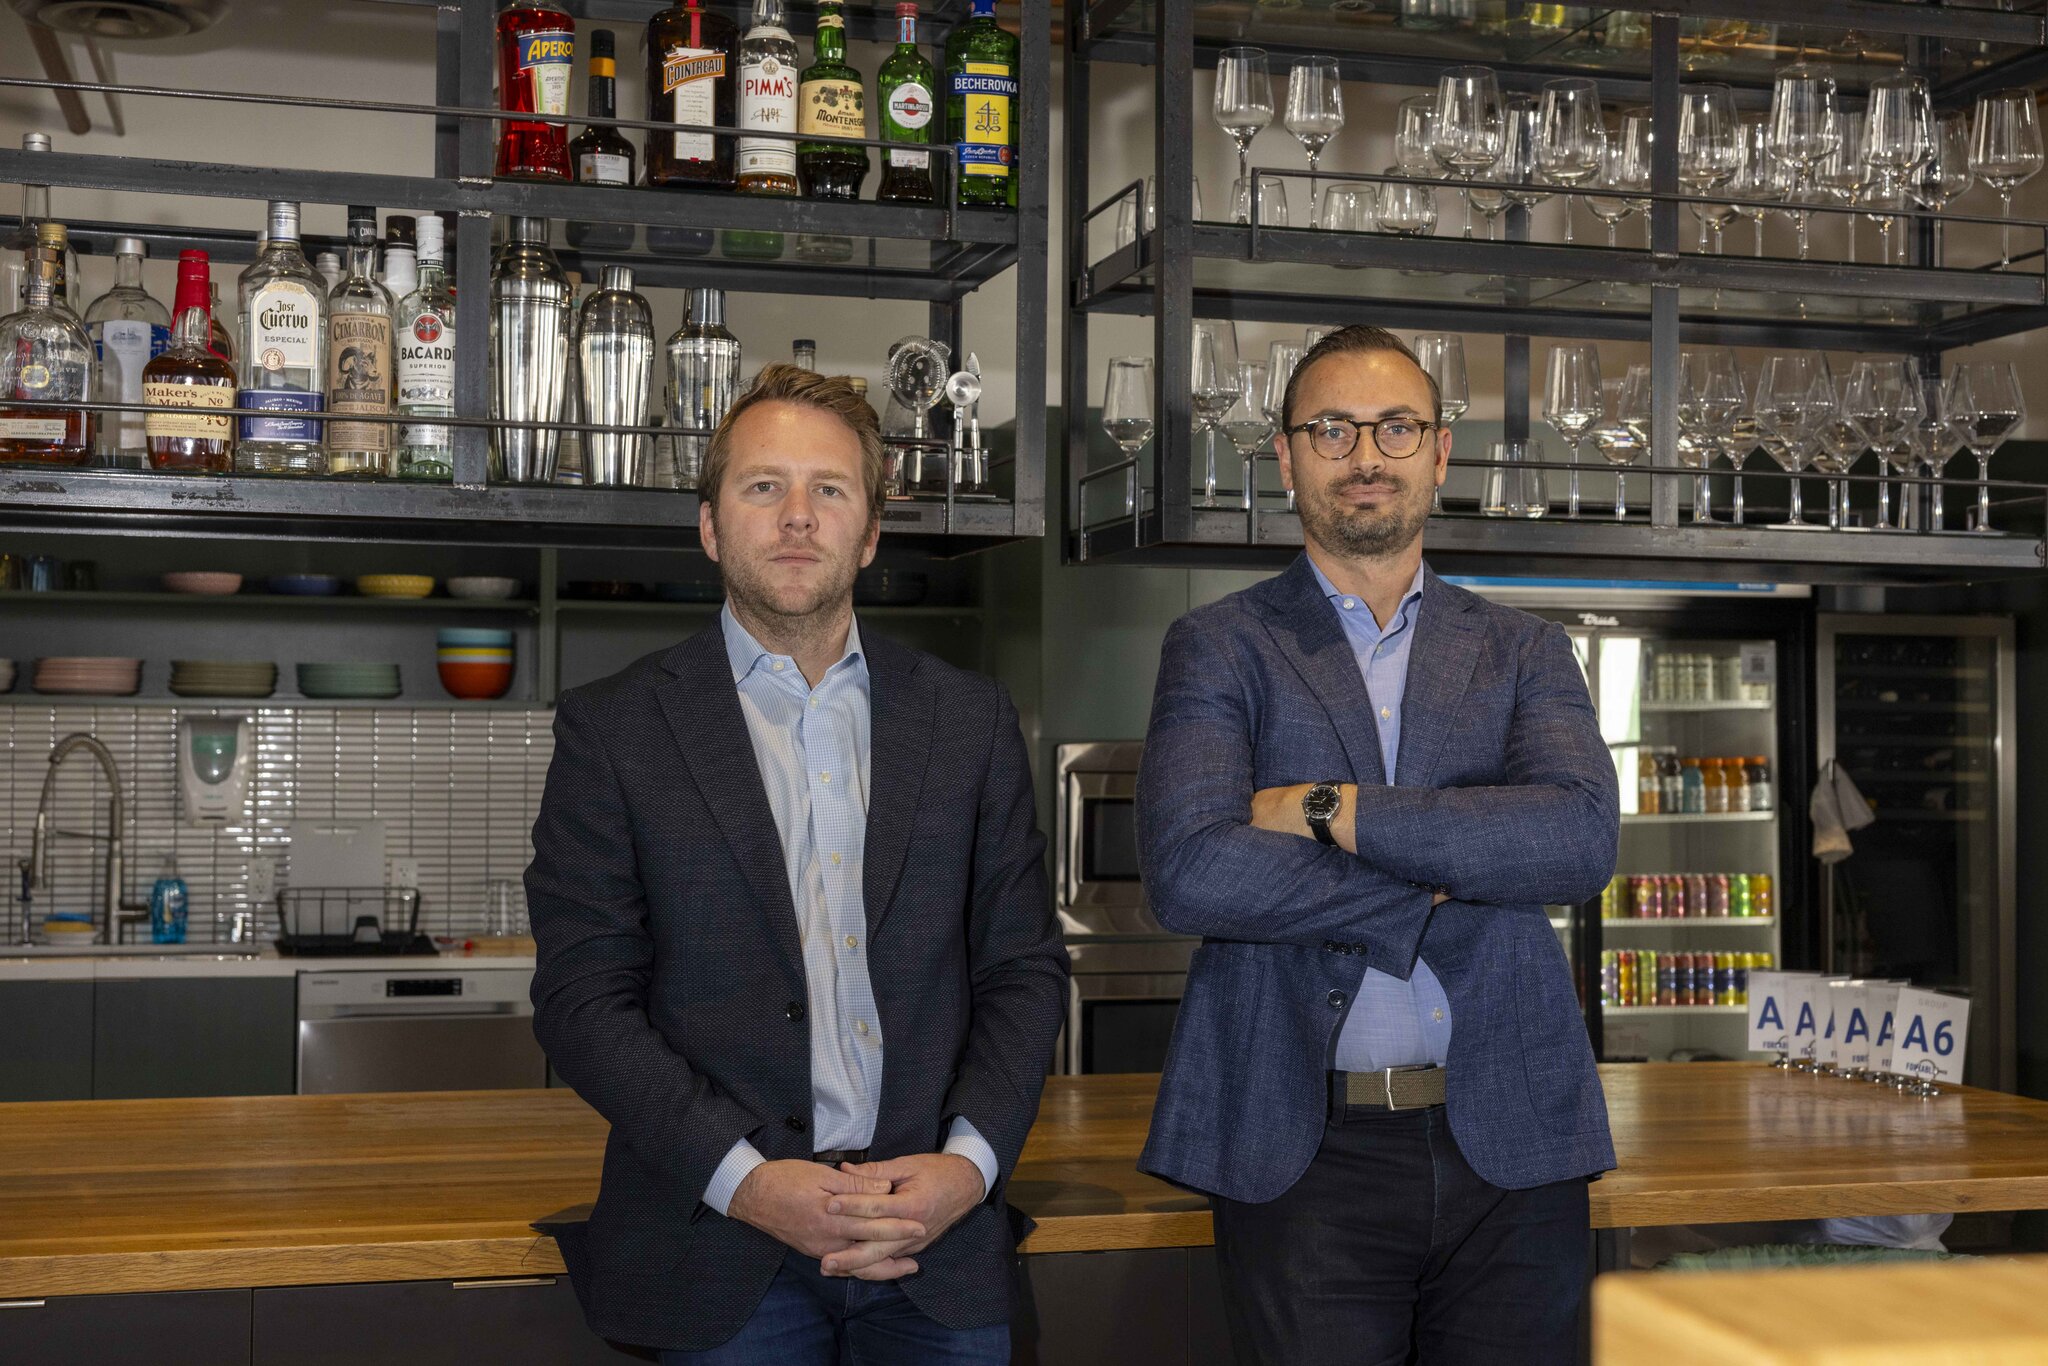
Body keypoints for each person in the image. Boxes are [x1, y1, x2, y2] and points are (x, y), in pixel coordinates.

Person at [526, 363, 1069, 1363]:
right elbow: (581, 999)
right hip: (719, 1248)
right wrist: (748, 1180)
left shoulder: (969, 720)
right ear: (708, 524)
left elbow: (1020, 970)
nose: (796, 515)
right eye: (761, 485)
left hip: (930, 1246)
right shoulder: (615, 730)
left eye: (829, 489)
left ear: (868, 532)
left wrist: (965, 1168)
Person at [1136, 326, 1619, 1365]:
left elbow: (1575, 840)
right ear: (1286, 455)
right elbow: (1190, 868)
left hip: (1516, 1148)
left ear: (1439, 451)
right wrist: (1425, 895)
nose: (1365, 454)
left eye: (1395, 427)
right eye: (1331, 429)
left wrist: (1330, 810)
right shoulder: (1220, 644)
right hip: (1303, 1150)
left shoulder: (1523, 649)